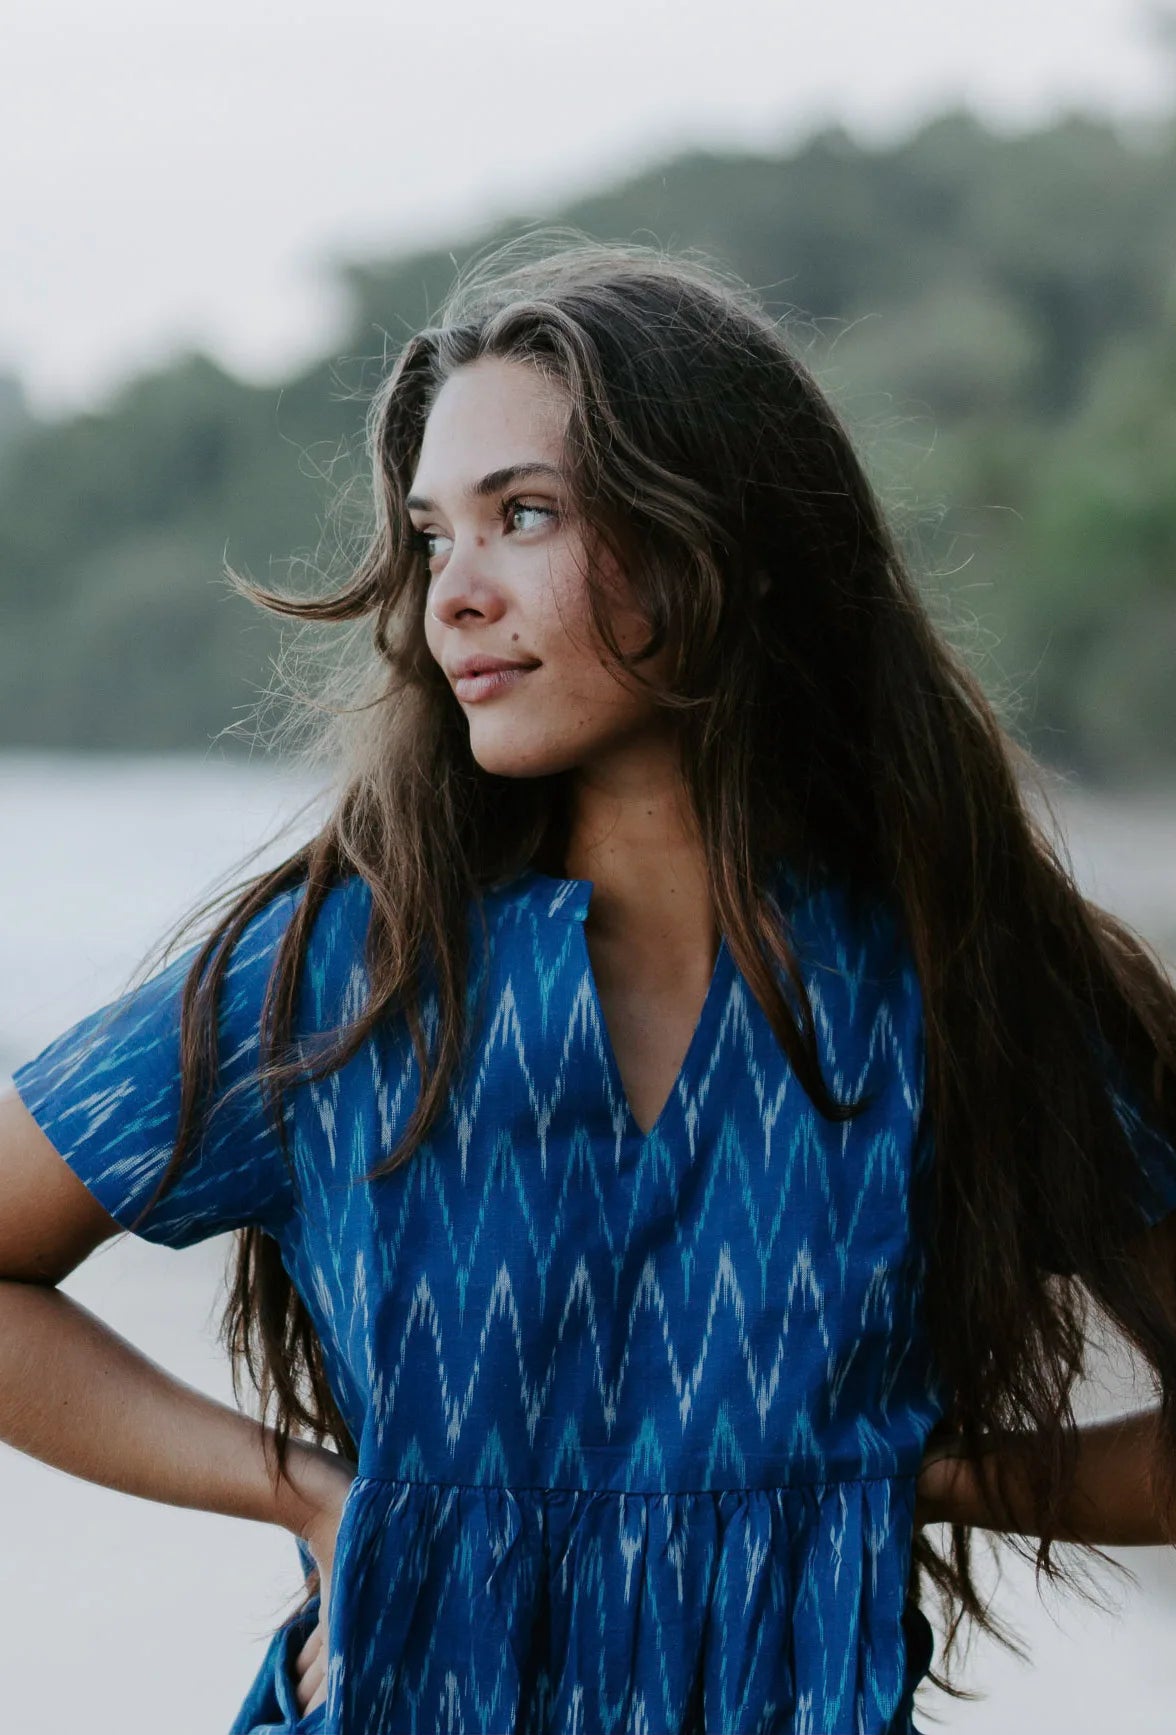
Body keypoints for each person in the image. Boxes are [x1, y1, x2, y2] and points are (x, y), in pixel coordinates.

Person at [1, 235, 1175, 1735]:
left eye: (526, 515)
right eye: (434, 538)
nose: (455, 597)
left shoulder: (956, 982)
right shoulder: (346, 982)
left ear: (722, 544)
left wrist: (915, 1475)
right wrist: (304, 1495)